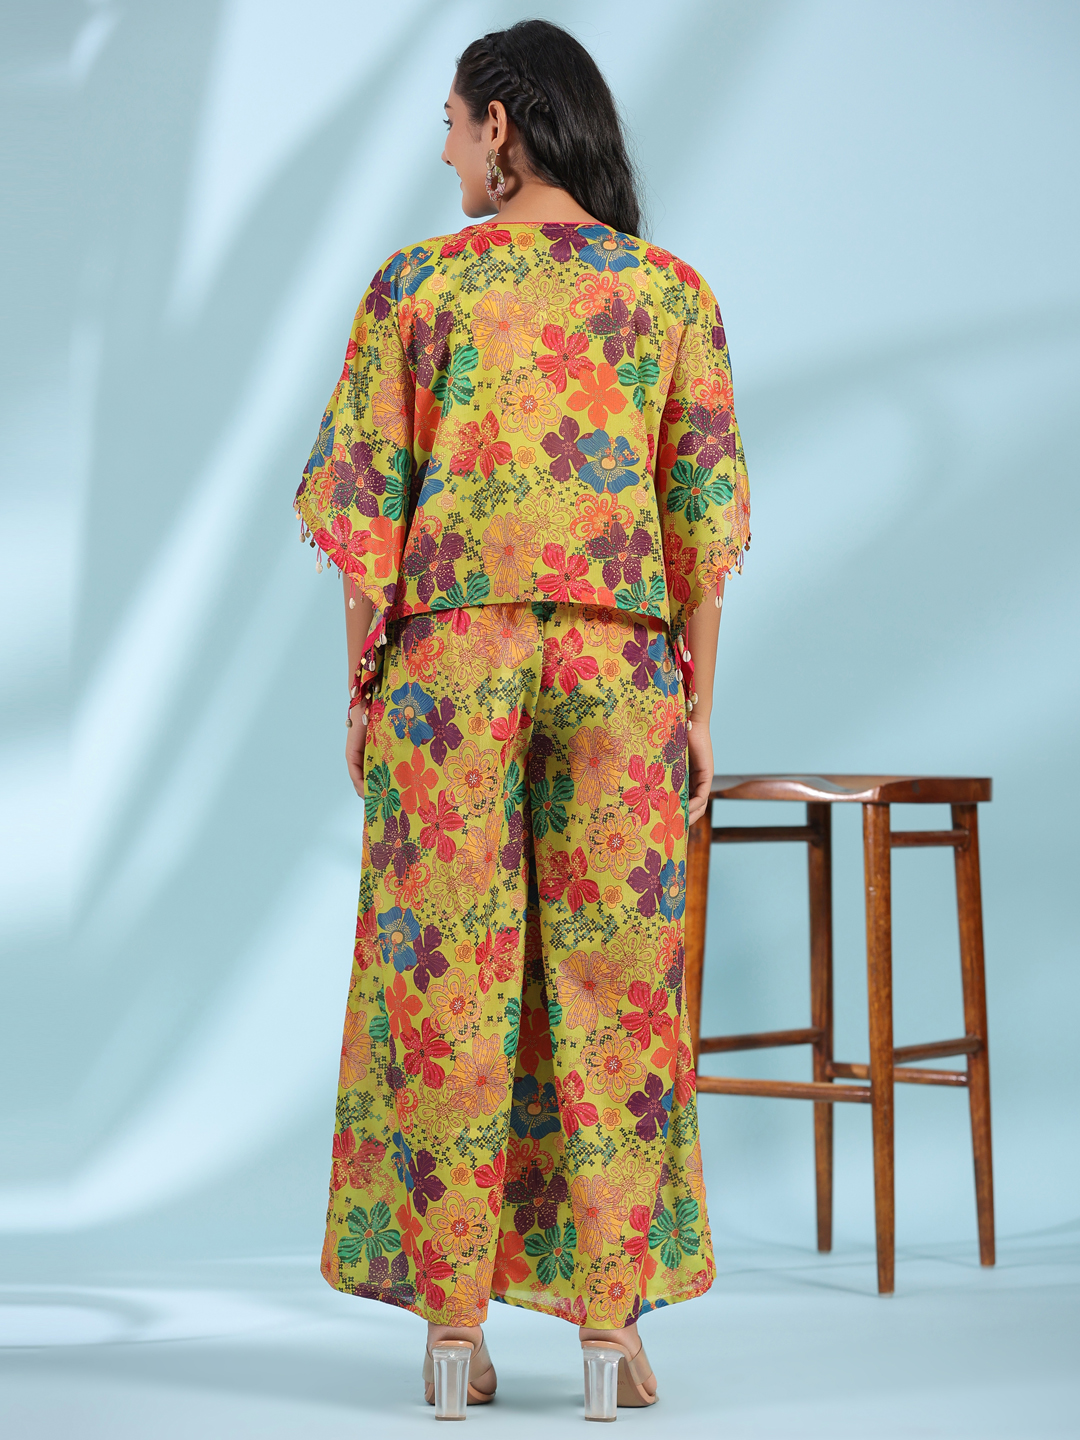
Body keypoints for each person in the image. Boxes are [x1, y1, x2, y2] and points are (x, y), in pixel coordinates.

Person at [294, 19, 749, 1420]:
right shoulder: (668, 294)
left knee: (449, 987)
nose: (443, 153)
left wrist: (362, 694)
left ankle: (453, 1328)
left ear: (501, 122)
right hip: (624, 666)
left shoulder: (417, 287)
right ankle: (609, 1329)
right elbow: (702, 530)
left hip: (451, 667)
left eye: (449, 124)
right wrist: (700, 713)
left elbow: (366, 518)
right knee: (618, 995)